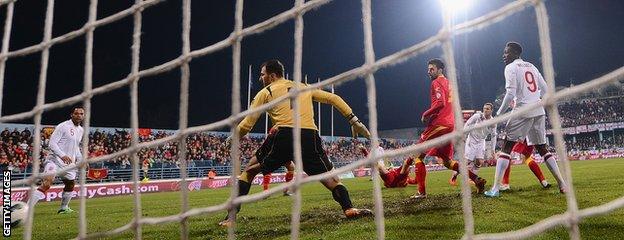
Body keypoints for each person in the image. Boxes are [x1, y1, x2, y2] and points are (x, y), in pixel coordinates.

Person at [219, 59, 373, 227]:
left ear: (271, 76)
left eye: (262, 74)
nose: (260, 78)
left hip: (285, 136)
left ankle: (231, 219)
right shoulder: (303, 87)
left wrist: (232, 138)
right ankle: (348, 208)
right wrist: (354, 121)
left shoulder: (266, 92)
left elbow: (247, 124)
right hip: (309, 136)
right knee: (332, 180)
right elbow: (334, 98)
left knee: (249, 172)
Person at [485, 42, 567, 197]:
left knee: (506, 147)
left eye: (506, 52)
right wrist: (536, 101)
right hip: (538, 110)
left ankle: (495, 189)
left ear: (516, 53)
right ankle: (562, 184)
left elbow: (510, 93)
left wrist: (498, 115)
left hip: (522, 110)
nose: (504, 55)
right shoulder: (532, 67)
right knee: (542, 148)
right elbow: (546, 90)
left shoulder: (510, 68)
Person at [411, 59, 487, 199]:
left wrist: (425, 114)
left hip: (439, 124)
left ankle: (421, 192)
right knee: (447, 162)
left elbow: (441, 103)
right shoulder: (449, 83)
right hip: (449, 125)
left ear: (440, 70)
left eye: (431, 69)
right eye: (428, 69)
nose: (428, 72)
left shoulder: (436, 82)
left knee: (417, 155)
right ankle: (477, 180)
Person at [27, 107, 85, 214]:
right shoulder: (63, 126)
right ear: (71, 114)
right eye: (76, 113)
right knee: (47, 184)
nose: (79, 116)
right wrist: (62, 155)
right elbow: (52, 144)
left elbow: (76, 147)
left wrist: (81, 159)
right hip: (54, 160)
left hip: (69, 164)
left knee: (70, 184)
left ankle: (64, 208)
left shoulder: (81, 130)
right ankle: (26, 210)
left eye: (81, 114)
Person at [449, 103, 497, 185]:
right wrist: (464, 135)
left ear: (491, 110)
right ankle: (454, 174)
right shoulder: (477, 116)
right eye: (484, 108)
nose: (485, 110)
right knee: (467, 161)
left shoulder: (493, 122)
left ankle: (471, 179)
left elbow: (493, 136)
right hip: (472, 139)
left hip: (481, 141)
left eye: (487, 109)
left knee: (480, 161)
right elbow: (468, 123)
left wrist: (493, 149)